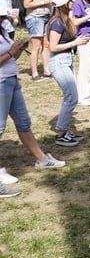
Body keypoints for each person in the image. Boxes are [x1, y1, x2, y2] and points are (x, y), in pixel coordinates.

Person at [0, 31, 66, 196]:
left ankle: (42, 159)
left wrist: (19, 50)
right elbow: (7, 56)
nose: (4, 19)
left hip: (11, 80)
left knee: (23, 123)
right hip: (1, 83)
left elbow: (11, 59)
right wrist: (10, 52)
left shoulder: (3, 32)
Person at [46, 0, 88, 147]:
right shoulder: (57, 23)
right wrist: (75, 43)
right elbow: (53, 46)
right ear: (64, 4)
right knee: (71, 97)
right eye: (70, 1)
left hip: (65, 60)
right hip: (59, 62)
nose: (73, 3)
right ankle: (61, 133)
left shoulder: (64, 20)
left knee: (70, 96)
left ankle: (64, 131)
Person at [22, 0, 53, 81]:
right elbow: (27, 4)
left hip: (46, 15)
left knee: (46, 44)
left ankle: (46, 70)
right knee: (36, 46)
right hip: (35, 17)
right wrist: (44, 2)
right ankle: (34, 73)